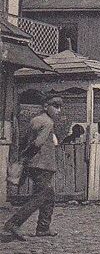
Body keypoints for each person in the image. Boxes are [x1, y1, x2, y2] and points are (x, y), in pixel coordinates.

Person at [2, 94, 63, 240]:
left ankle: (43, 227)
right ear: (45, 106)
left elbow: (25, 140)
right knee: (40, 196)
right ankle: (14, 223)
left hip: (34, 164)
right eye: (55, 106)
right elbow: (38, 143)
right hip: (43, 165)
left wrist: (24, 158)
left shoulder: (35, 120)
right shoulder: (48, 123)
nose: (59, 110)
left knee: (49, 196)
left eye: (60, 107)